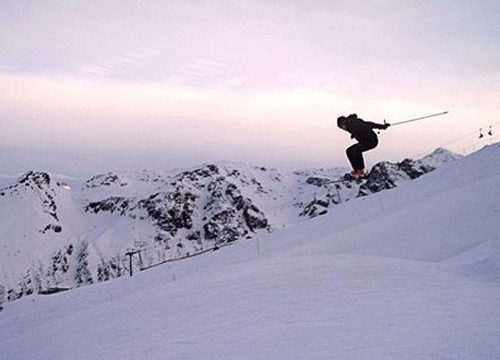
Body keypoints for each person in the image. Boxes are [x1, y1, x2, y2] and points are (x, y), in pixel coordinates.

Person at [337, 113, 390, 179]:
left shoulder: (352, 125)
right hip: (370, 140)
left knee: (353, 151)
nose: (343, 129)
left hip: (370, 141)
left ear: (343, 124)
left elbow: (366, 126)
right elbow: (368, 124)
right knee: (352, 151)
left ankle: (360, 171)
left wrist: (382, 127)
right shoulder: (354, 122)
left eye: (342, 128)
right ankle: (359, 171)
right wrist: (382, 126)